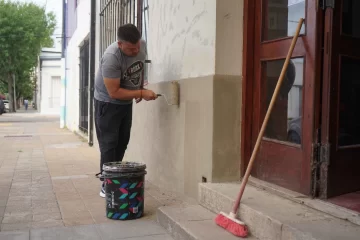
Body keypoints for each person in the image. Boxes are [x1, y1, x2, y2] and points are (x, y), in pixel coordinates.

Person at [94, 24, 158, 197]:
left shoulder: (140, 45)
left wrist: (137, 86)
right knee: (109, 144)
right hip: (107, 103)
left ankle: (115, 177)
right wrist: (140, 93)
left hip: (125, 103)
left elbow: (139, 65)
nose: (136, 50)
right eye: (131, 48)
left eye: (137, 45)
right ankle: (106, 184)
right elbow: (114, 92)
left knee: (123, 141)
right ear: (120, 44)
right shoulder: (111, 57)